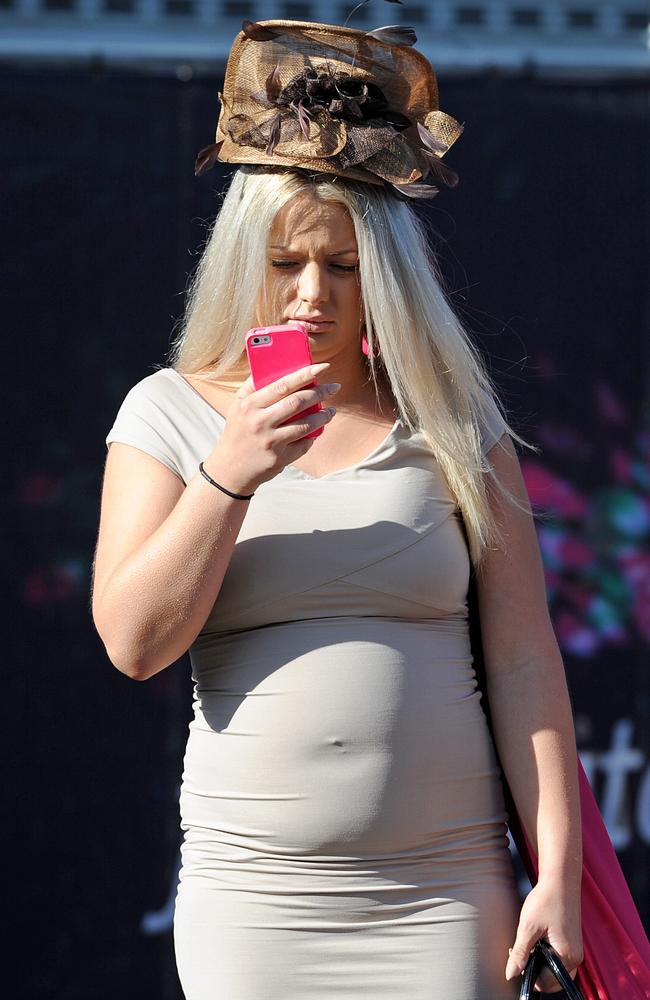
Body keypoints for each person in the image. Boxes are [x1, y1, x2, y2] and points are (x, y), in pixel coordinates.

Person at [91, 18, 583, 1000]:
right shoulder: (170, 412)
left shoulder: (451, 425)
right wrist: (230, 473)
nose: (313, 293)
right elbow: (133, 641)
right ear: (246, 262)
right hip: (254, 902)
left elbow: (525, 659)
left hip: (442, 895)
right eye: (287, 263)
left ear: (388, 279)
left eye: (344, 266)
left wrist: (559, 875)